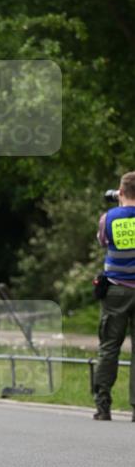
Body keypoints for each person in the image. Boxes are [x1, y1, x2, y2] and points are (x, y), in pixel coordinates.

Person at [94, 171, 135, 422]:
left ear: (120, 192)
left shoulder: (108, 218)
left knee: (109, 348)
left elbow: (102, 242)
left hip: (116, 290)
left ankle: (103, 406)